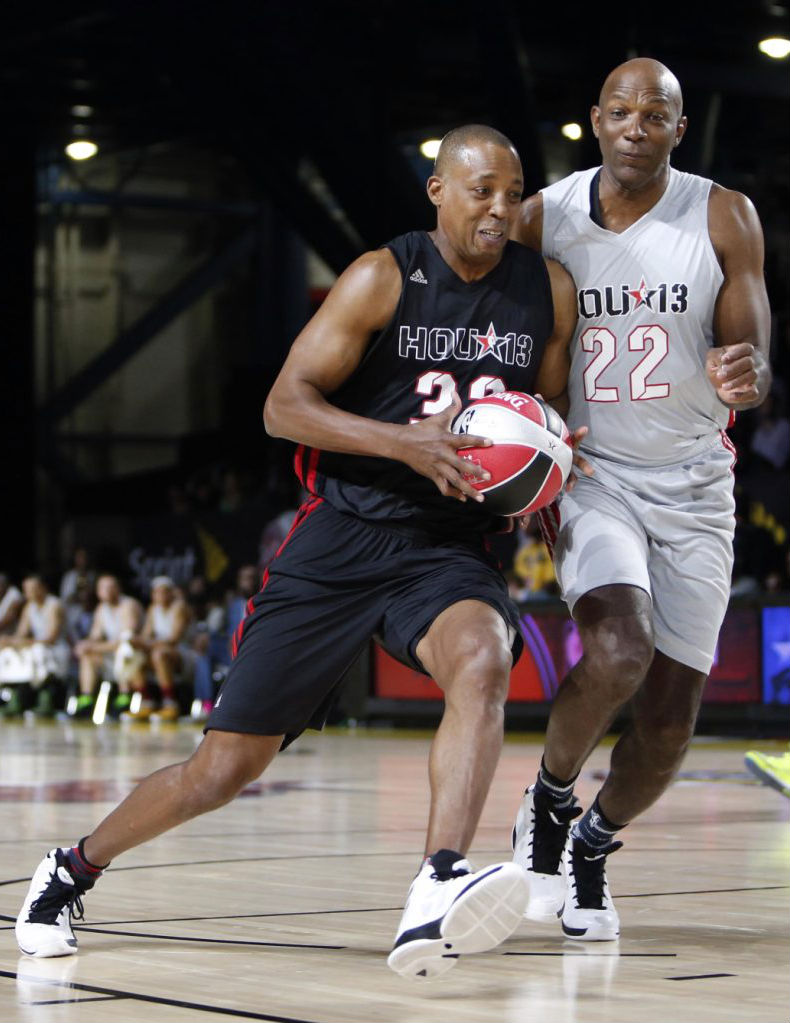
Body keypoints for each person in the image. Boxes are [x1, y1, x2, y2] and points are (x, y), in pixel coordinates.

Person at [16, 124, 586, 977]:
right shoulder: (381, 276)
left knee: (483, 659)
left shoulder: (548, 290)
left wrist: (548, 466)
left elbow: (543, 411)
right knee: (221, 769)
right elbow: (284, 405)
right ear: (438, 191)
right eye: (481, 191)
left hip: (446, 544)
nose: (500, 209)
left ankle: (437, 881)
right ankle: (70, 869)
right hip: (342, 537)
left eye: (512, 193)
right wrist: (406, 443)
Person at [511, 58, 771, 941]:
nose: (634, 124)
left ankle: (594, 842)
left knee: (667, 727)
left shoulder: (722, 213)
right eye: (619, 110)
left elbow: (754, 354)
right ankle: (547, 800)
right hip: (595, 474)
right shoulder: (543, 216)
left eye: (652, 113)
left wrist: (750, 371)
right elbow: (499, 323)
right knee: (620, 648)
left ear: (676, 128)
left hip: (697, 483)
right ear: (595, 120)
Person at [71, 575, 143, 719]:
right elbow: (95, 635)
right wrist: (86, 645)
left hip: (135, 653)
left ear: (118, 588)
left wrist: (93, 647)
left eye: (111, 587)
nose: (108, 591)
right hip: (111, 651)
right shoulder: (101, 608)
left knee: (123, 651)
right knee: (87, 656)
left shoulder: (128, 605)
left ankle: (125, 696)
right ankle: (86, 699)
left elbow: (126, 639)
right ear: (98, 592)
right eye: (104, 588)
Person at [124, 576, 194, 722]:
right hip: (159, 650)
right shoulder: (152, 609)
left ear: (171, 593)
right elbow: (146, 635)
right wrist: (135, 641)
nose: (161, 595)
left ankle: (170, 703)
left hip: (183, 653)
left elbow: (174, 639)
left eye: (164, 592)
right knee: (134, 656)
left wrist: (146, 644)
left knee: (159, 655)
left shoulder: (179, 607)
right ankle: (147, 702)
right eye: (157, 592)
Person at [0, 575, 70, 717]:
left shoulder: (54, 604)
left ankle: (45, 699)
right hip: (36, 645)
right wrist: (9, 641)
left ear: (43, 588)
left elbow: (51, 638)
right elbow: (21, 634)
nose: (29, 592)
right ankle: (14, 697)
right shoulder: (29, 607)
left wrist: (24, 643)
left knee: (38, 651)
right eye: (27, 589)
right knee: (7, 650)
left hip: (57, 648)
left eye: (33, 588)